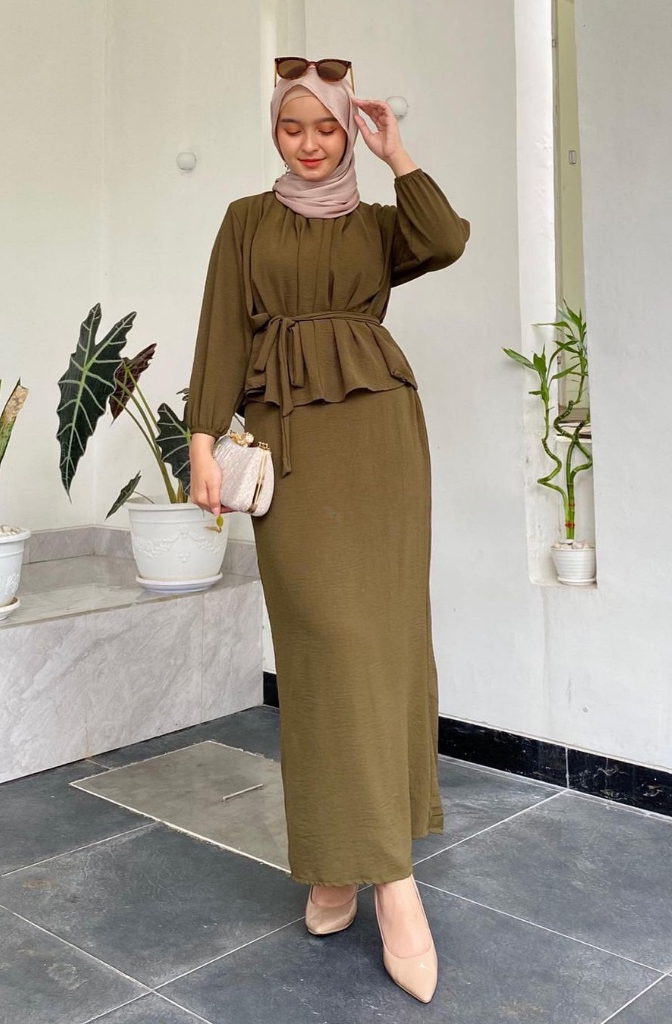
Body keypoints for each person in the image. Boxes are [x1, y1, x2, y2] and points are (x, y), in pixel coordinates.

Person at [185, 56, 469, 1004]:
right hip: (291, 446)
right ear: (273, 129)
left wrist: (398, 154)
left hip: (381, 441)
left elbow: (446, 238)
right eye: (292, 126)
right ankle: (356, 863)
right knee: (324, 649)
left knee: (383, 646)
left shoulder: (380, 226)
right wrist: (200, 441)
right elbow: (221, 330)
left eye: (327, 126)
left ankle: (375, 874)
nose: (309, 143)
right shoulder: (245, 219)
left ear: (350, 130)